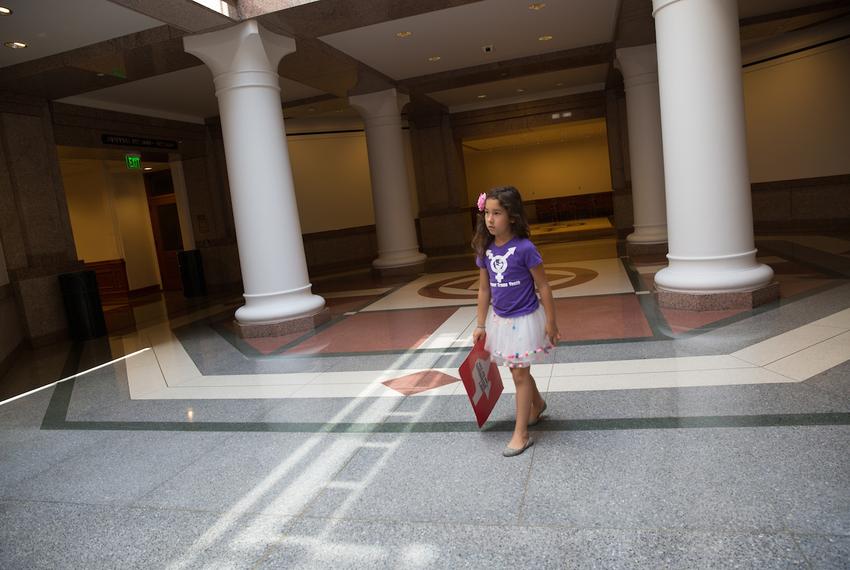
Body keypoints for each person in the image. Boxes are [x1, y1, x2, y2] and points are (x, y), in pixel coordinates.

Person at [472, 186, 560, 457]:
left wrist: (551, 322)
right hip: (501, 320)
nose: (490, 219)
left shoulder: (525, 248)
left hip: (525, 319)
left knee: (519, 374)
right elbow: (484, 289)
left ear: (511, 216)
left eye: (496, 213)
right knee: (515, 371)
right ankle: (538, 403)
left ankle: (521, 433)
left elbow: (544, 286)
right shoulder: (485, 250)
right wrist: (480, 324)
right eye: (487, 213)